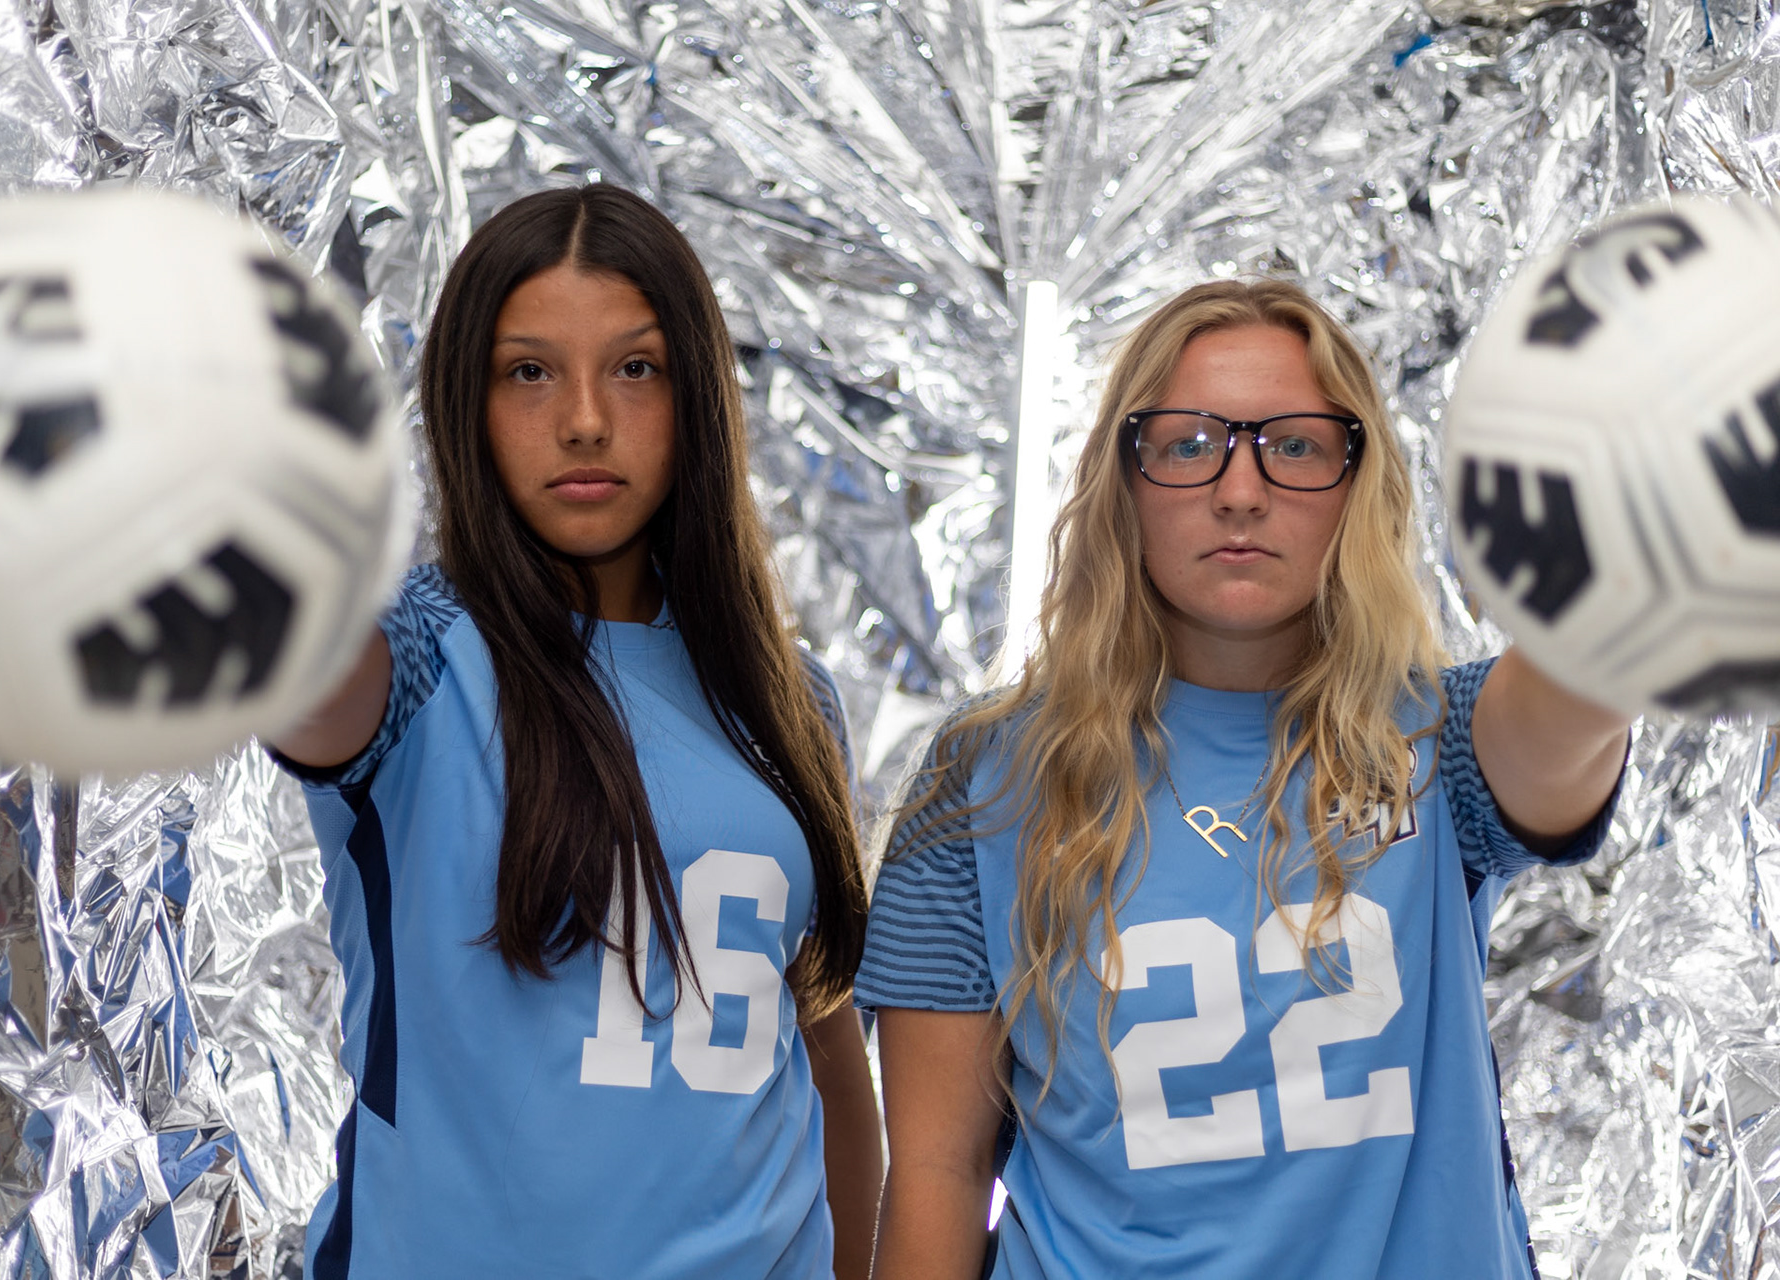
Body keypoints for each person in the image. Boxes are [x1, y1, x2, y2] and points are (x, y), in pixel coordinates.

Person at [856, 279, 1630, 1279]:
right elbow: (937, 1170)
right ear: (1122, 480)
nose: (1240, 490)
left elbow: (1605, 655)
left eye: (1295, 446)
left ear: (1358, 484)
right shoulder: (985, 778)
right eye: (1188, 444)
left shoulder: (1443, 746)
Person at [271, 184, 881, 1278]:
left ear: (697, 397)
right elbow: (298, 671)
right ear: (466, 401)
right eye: (530, 371)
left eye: (636, 368)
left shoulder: (791, 697)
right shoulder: (415, 654)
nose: (586, 419)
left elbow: (827, 1045)